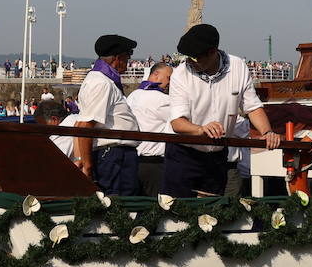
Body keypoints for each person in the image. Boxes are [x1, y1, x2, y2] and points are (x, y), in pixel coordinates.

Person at [166, 24, 280, 197]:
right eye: (187, 57)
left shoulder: (238, 67)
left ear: (213, 52)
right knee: (176, 213)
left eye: (194, 58)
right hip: (183, 155)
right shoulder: (180, 74)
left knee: (213, 216)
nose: (189, 62)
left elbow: (253, 106)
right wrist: (200, 129)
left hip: (218, 155)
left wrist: (267, 131)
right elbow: (177, 122)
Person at [74, 34, 141, 195]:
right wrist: (87, 165)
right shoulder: (102, 83)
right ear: (117, 58)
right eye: (128, 55)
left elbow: (81, 124)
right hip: (114, 154)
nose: (129, 60)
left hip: (115, 153)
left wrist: (81, 160)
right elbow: (85, 125)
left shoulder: (100, 80)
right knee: (120, 203)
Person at [127, 62, 173, 196]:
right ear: (156, 74)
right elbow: (182, 120)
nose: (171, 83)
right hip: (154, 163)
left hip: (133, 159)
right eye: (169, 78)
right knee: (156, 207)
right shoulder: (163, 100)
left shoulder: (133, 96)